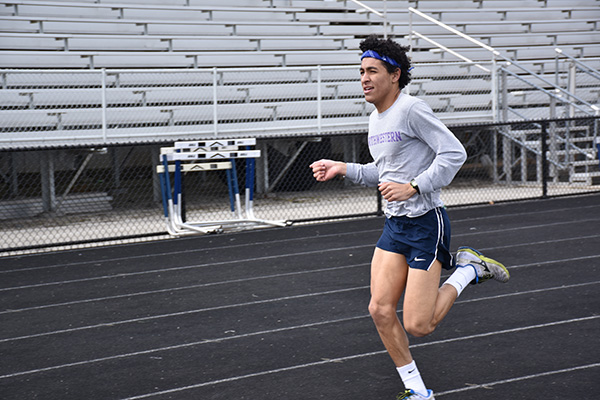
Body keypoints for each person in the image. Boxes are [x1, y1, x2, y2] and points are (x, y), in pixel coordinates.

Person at [309, 35, 510, 400]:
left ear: (395, 75)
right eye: (361, 72)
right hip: (394, 225)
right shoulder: (376, 118)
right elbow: (383, 173)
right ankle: (417, 391)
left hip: (424, 223)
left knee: (420, 324)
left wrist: (415, 186)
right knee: (380, 309)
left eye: (372, 71)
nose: (364, 79)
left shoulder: (412, 110)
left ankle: (469, 270)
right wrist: (343, 168)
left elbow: (454, 154)